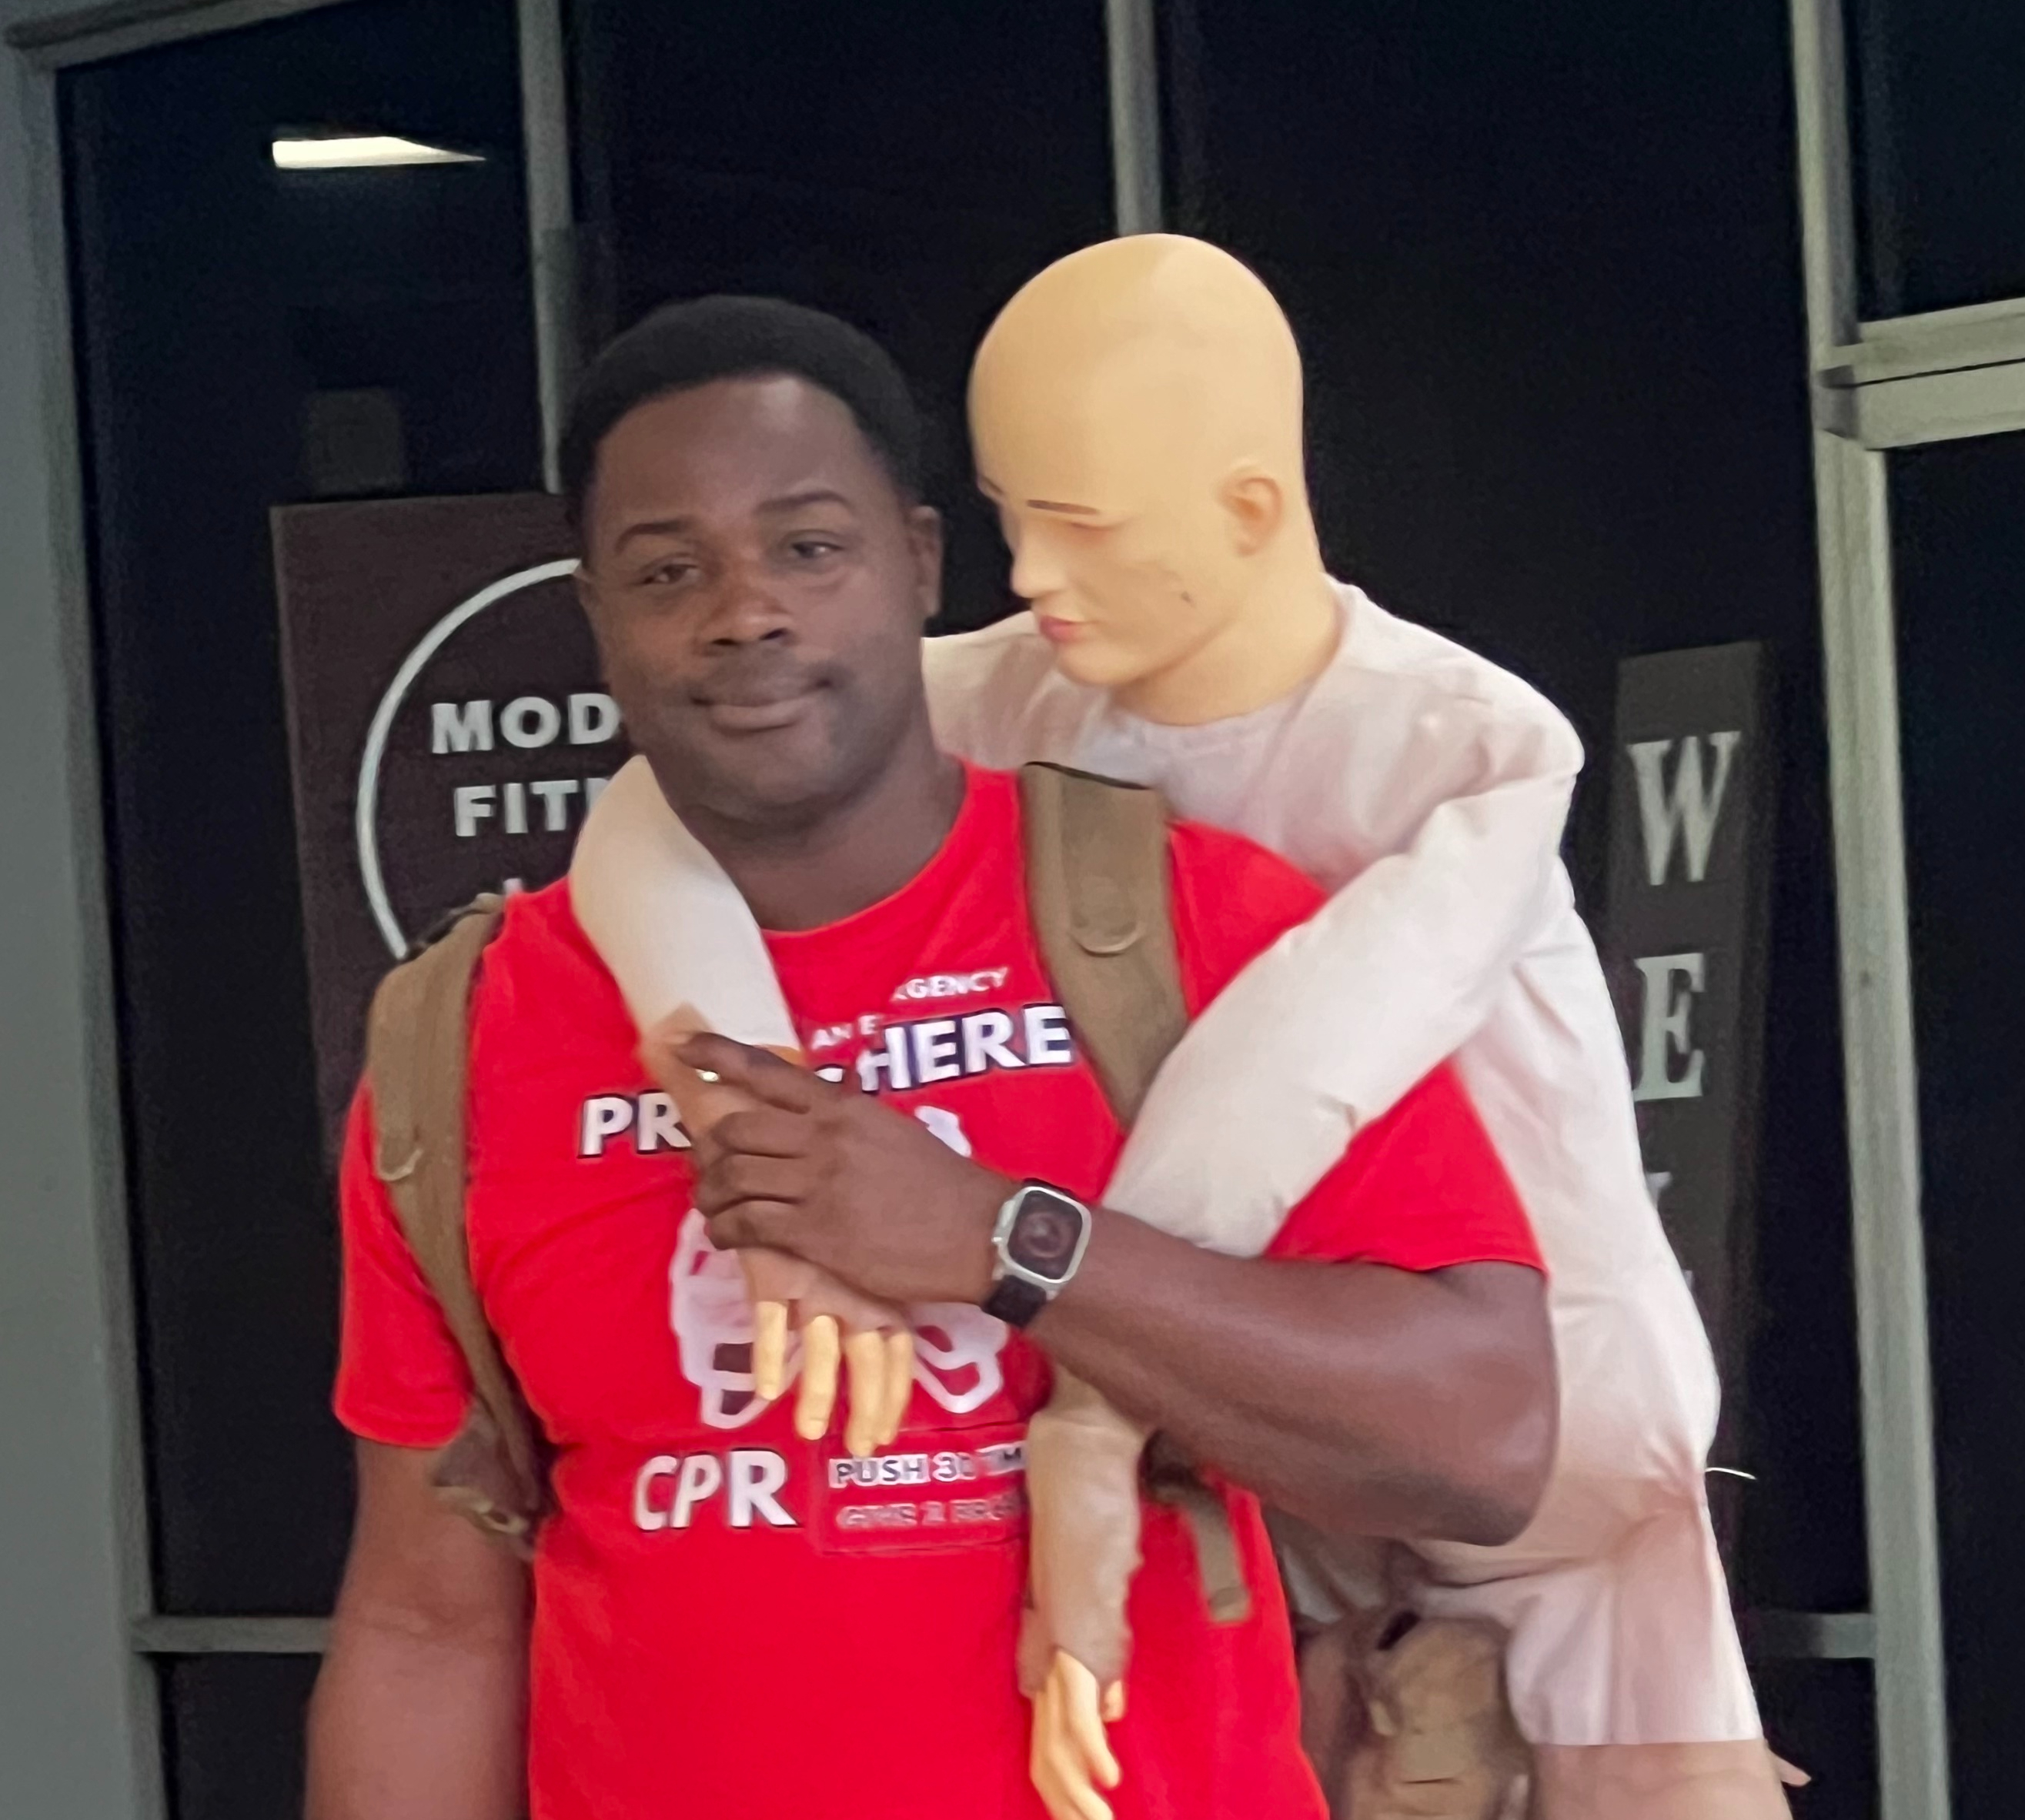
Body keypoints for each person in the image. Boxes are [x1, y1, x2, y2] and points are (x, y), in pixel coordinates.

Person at [570, 239, 1795, 1818]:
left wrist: (1084, 1410)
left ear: (1249, 508)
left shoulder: (1465, 749)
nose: (1031, 577)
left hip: (1501, 1417)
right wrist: (767, 1145)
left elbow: (1276, 1083)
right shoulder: (1020, 689)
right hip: (1220, 1428)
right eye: (1010, 519)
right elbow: (647, 809)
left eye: (1081, 528)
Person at [305, 297, 1556, 1820]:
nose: (745, 613)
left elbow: (1484, 1440)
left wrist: (1005, 1240)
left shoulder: (1188, 928)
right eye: (668, 570)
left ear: (918, 562)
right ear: (596, 615)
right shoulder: (464, 1035)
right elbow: (430, 1621)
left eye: (807, 547)